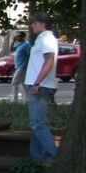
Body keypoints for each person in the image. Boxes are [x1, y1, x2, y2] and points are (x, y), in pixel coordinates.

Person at [24, 13, 58, 163]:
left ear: (43, 24)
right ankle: (36, 158)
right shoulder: (43, 39)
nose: (32, 26)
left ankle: (54, 156)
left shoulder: (46, 39)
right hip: (39, 85)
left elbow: (49, 61)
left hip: (40, 86)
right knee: (37, 124)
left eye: (34, 23)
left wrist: (37, 82)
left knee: (38, 124)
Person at [11, 31, 30, 102]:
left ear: (23, 37)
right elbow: (11, 50)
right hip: (18, 67)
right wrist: (13, 41)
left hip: (22, 67)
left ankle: (14, 100)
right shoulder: (19, 45)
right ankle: (27, 100)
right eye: (17, 36)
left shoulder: (26, 45)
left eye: (19, 36)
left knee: (14, 83)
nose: (17, 37)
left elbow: (30, 54)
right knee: (23, 84)